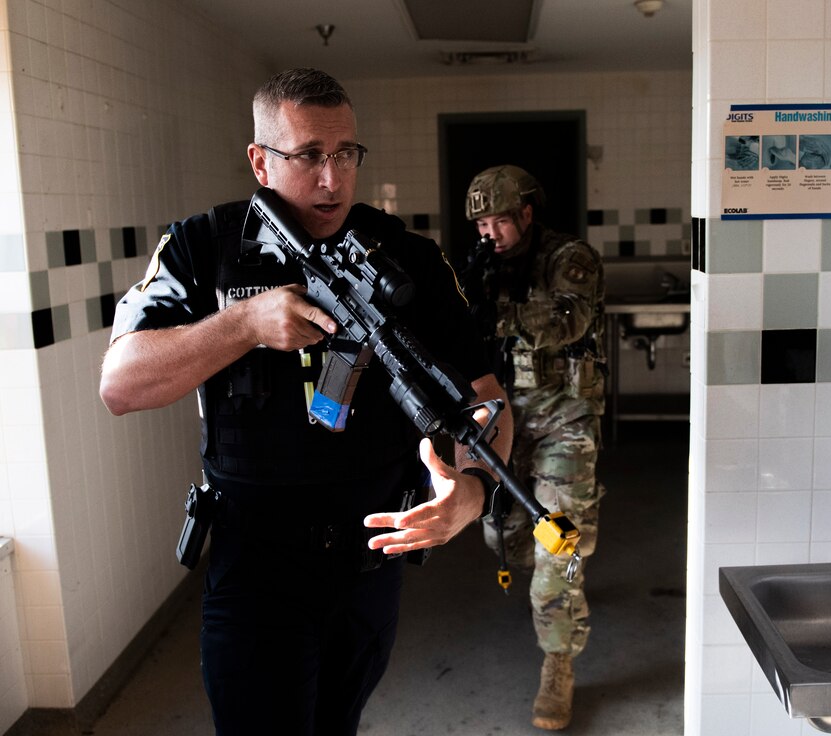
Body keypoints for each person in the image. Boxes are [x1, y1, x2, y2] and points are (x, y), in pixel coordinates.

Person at [99, 68, 511, 736]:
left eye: (346, 154)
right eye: (309, 156)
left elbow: (486, 398)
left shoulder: (409, 259)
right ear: (261, 162)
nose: (332, 178)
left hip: (371, 560)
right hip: (255, 567)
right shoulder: (204, 248)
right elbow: (120, 385)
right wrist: (242, 326)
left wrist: (473, 489)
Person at [461, 165, 606, 731]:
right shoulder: (481, 264)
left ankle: (559, 663)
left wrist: (493, 310)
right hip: (503, 425)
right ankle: (561, 571)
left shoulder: (569, 258)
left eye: (499, 221)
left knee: (558, 547)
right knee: (502, 535)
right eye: (481, 225)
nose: (490, 234)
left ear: (526, 214)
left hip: (563, 421)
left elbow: (569, 322)